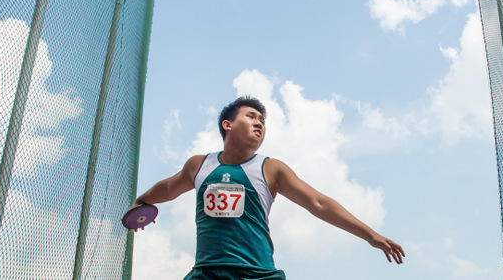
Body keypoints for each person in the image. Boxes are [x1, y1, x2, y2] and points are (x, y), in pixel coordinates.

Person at [127, 96, 405, 279]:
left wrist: (370, 235)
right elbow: (168, 188)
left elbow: (318, 203)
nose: (259, 122)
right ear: (228, 124)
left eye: (263, 120)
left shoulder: (272, 169)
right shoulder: (199, 165)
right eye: (251, 116)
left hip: (256, 274)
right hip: (206, 273)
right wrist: (142, 200)